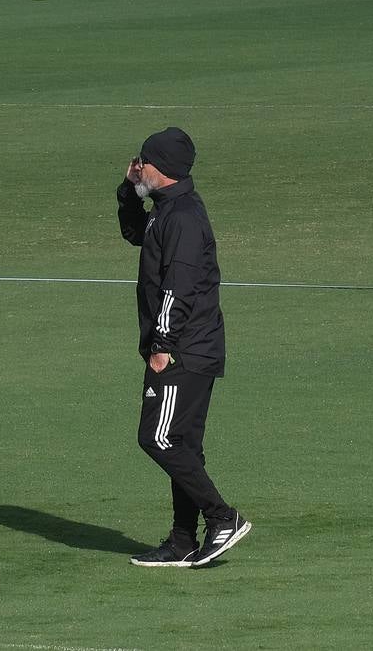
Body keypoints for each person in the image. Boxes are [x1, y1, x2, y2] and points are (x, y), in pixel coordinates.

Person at [117, 126, 251, 568]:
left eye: (143, 161)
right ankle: (181, 540)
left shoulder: (185, 218)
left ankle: (222, 517)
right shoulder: (165, 209)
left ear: (165, 168)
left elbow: (180, 287)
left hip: (184, 350)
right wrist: (128, 189)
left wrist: (162, 344)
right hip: (189, 348)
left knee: (157, 438)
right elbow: (135, 234)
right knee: (185, 446)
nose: (139, 166)